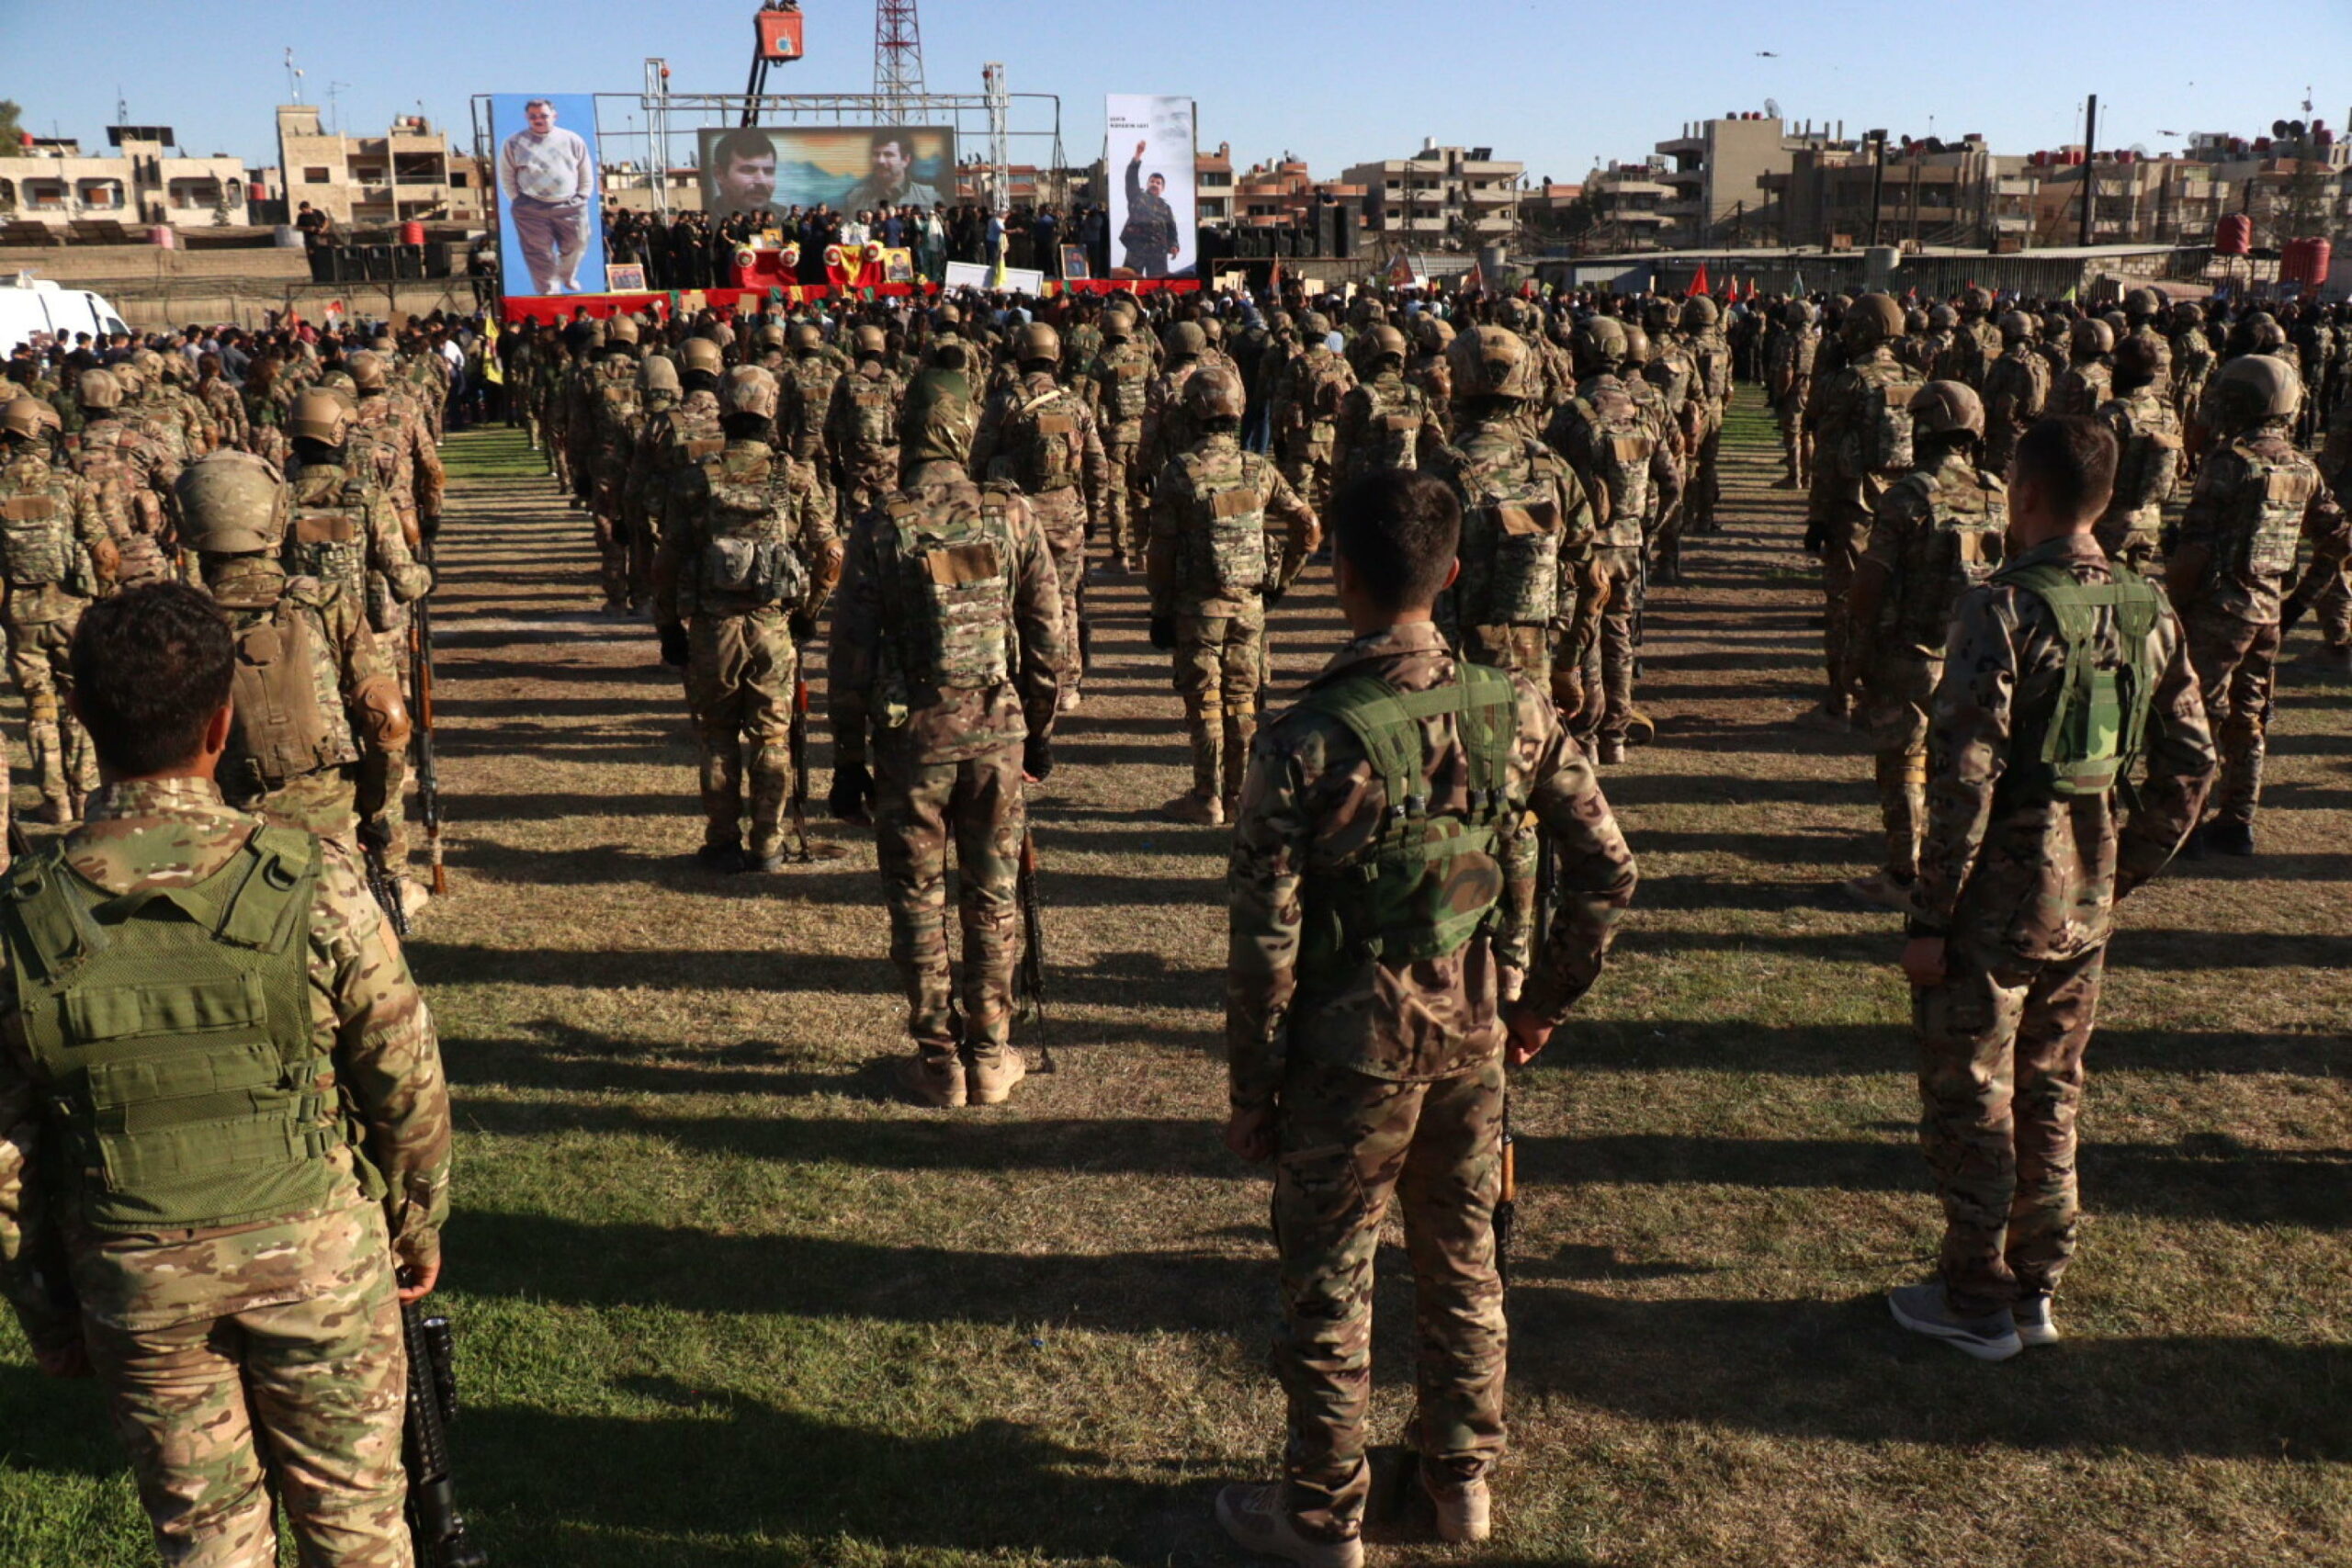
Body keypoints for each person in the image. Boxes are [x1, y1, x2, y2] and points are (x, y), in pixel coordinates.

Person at [1217, 469, 1637, 1565]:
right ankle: (1459, 1486)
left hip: (1348, 1055)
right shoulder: (1517, 707)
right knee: (1461, 1263)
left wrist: (1252, 1088)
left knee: (1329, 1285)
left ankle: (1321, 1515)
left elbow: (1263, 941)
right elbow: (1607, 867)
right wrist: (1539, 1003)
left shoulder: (1302, 741)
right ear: (1452, 575)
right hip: (1473, 1036)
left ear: (1340, 575)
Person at [0, 580, 450, 1566]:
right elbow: (405, 1079)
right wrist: (415, 1225)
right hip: (322, 1260)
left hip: (135, 1278)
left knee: (205, 1545)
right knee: (361, 1534)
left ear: (81, 717)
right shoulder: (316, 875)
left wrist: (45, 1305)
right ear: (222, 721)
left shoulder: (22, 914)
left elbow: (6, 1152)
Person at [1894, 416, 2214, 1361]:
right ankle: (2035, 1285)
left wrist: (1928, 912)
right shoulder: (2147, 606)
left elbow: (1961, 779)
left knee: (1973, 1095)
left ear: (2021, 493)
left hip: (1999, 892)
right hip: (2088, 887)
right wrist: (2124, 862)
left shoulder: (1998, 608)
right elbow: (2192, 763)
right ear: (2106, 500)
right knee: (2053, 1088)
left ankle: (1974, 1297)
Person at [826, 390, 1062, 1109]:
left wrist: (846, 758)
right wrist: (1041, 730)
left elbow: (851, 651)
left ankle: (939, 1062)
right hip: (996, 736)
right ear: (965, 432)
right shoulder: (1012, 513)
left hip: (912, 743)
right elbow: (1048, 631)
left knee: (917, 901)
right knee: (993, 898)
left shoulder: (880, 526)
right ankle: (990, 1055)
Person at [655, 366, 840, 874]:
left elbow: (667, 559)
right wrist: (809, 614)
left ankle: (720, 841)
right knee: (772, 738)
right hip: (772, 629)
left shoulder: (695, 476)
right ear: (770, 408)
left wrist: (668, 627)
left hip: (713, 630)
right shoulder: (794, 476)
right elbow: (831, 554)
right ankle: (768, 843)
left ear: (723, 407)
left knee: (717, 736)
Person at [2166, 355, 2351, 855]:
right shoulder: (2303, 467)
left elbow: (2196, 548)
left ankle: (2186, 820)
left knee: (2195, 714)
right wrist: (2295, 604)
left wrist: (2172, 606)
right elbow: (2340, 542)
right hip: (2266, 613)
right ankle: (2236, 821)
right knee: (2249, 716)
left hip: (2218, 613)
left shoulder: (2229, 463)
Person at [177, 450, 407, 847]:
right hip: (330, 823)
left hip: (223, 833)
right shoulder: (326, 603)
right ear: (277, 515)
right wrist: (374, 810)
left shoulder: (176, 619)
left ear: (184, 520)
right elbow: (386, 721)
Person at [1841, 382, 2007, 908]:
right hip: (1976, 651)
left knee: (1904, 761)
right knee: (1963, 764)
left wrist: (1854, 647)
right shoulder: (1994, 492)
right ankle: (1953, 869)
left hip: (1911, 651)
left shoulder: (1911, 494)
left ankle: (1903, 871)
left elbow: (1873, 578)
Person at [1147, 367, 1318, 824]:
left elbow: (1160, 549)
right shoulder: (1258, 469)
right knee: (1243, 698)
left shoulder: (1180, 471)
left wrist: (1160, 607)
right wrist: (1282, 581)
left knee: (1204, 698)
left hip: (1197, 608)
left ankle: (1207, 797)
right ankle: (1240, 793)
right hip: (1249, 606)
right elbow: (1308, 525)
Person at [970, 322, 1105, 712]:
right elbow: (1097, 464)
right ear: (1055, 354)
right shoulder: (1075, 404)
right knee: (1064, 599)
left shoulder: (1005, 402)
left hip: (1016, 519)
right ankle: (1066, 684)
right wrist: (1093, 512)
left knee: (1013, 600)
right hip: (1064, 514)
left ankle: (1016, 678)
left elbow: (978, 458)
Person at [0, 397, 119, 829]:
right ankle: (86, 791)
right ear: (44, 434)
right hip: (72, 608)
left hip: (21, 613)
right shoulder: (68, 486)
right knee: (80, 698)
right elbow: (105, 553)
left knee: (40, 704)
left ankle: (55, 802)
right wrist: (104, 595)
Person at [499, 97, 596, 294]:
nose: (538, 119)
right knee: (538, 252)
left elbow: (585, 169)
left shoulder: (572, 139)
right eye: (533, 116)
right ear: (527, 117)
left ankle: (567, 275)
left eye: (543, 115)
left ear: (554, 116)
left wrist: (583, 195)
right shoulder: (514, 142)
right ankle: (549, 292)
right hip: (531, 206)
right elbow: (506, 173)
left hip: (570, 203)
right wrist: (517, 199)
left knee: (578, 242)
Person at [842, 130, 944, 216]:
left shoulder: (929, 196)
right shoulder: (855, 198)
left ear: (905, 160)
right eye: (876, 154)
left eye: (888, 154)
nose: (880, 161)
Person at [1120, 141, 1182, 278]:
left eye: (1158, 183)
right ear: (1147, 184)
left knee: (1158, 285)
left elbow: (1172, 229)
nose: (1155, 184)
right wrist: (1138, 155)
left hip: (1158, 253)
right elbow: (1130, 179)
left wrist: (1174, 245)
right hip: (1136, 250)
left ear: (1162, 188)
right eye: (1152, 181)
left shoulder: (1166, 208)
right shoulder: (1137, 197)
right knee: (1127, 281)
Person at [708, 126, 780, 219]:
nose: (761, 181)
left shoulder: (783, 217)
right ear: (719, 174)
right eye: (748, 170)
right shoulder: (711, 218)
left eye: (768, 171)